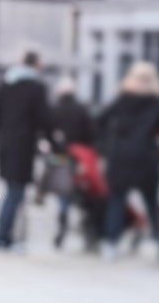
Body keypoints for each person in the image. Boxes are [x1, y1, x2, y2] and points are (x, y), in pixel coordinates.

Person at [98, 61, 159, 261]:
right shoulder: (155, 103)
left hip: (120, 158)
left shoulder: (121, 100)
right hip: (146, 158)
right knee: (151, 203)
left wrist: (107, 146)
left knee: (116, 202)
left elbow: (100, 120)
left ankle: (111, 244)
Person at [0, 50, 52, 250]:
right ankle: (3, 235)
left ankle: (5, 233)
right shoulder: (36, 87)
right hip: (23, 146)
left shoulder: (6, 84)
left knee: (11, 189)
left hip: (5, 144)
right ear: (35, 65)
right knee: (16, 192)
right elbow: (44, 118)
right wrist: (51, 140)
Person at [45, 76, 95, 248]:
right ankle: (88, 231)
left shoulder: (53, 109)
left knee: (63, 196)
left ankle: (62, 228)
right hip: (79, 158)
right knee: (83, 195)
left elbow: (47, 134)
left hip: (59, 158)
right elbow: (90, 135)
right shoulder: (82, 109)